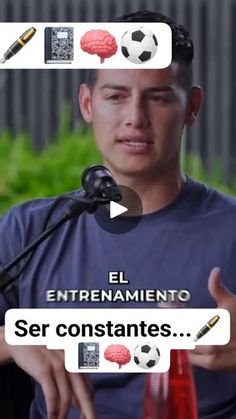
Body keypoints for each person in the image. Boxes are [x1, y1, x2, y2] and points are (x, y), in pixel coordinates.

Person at [1, 9, 236, 419]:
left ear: (192, 106)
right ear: (88, 104)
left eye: (158, 97)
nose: (135, 118)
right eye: (116, 96)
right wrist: (9, 341)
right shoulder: (28, 230)